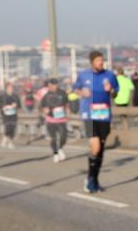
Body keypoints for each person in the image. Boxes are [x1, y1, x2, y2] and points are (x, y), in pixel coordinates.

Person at [73, 51, 118, 193]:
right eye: (98, 60)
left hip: (104, 115)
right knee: (96, 147)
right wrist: (81, 93)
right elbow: (75, 89)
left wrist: (110, 90)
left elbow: (115, 93)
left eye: (102, 60)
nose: (101, 62)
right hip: (89, 115)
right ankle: (91, 179)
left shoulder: (110, 75)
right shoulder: (84, 75)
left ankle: (94, 179)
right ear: (92, 61)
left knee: (101, 150)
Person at [40, 78, 70, 162]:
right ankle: (55, 153)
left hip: (61, 119)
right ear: (49, 85)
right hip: (51, 120)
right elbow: (42, 106)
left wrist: (68, 111)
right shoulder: (46, 95)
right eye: (52, 85)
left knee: (63, 137)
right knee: (53, 138)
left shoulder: (63, 93)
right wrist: (44, 110)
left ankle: (60, 148)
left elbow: (67, 103)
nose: (54, 86)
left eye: (56, 84)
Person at [0, 82, 22, 149]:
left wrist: (16, 105)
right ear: (6, 88)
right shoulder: (3, 96)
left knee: (12, 128)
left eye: (12, 88)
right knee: (8, 127)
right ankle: (10, 142)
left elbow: (19, 105)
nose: (11, 89)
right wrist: (3, 107)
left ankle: (5, 138)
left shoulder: (15, 96)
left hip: (13, 114)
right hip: (5, 114)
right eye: (9, 88)